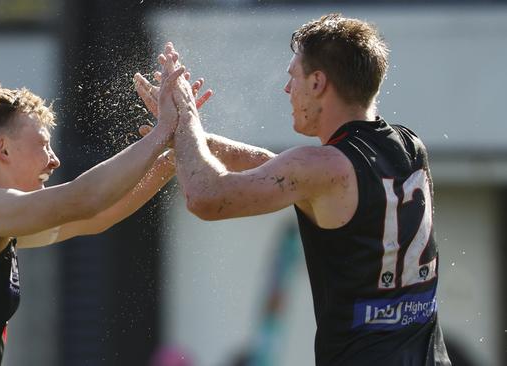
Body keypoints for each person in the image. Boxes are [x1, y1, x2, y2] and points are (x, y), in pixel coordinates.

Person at [141, 13, 452, 366]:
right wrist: (195, 141)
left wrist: (184, 118)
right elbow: (284, 169)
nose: (288, 89)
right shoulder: (409, 145)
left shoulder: (322, 168)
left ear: (318, 82)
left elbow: (205, 197)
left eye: (294, 77)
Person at [0, 81, 195, 366]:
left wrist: (168, 157)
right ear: (2, 148)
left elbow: (95, 217)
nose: (54, 160)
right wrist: (161, 133)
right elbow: (85, 199)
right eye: (44, 144)